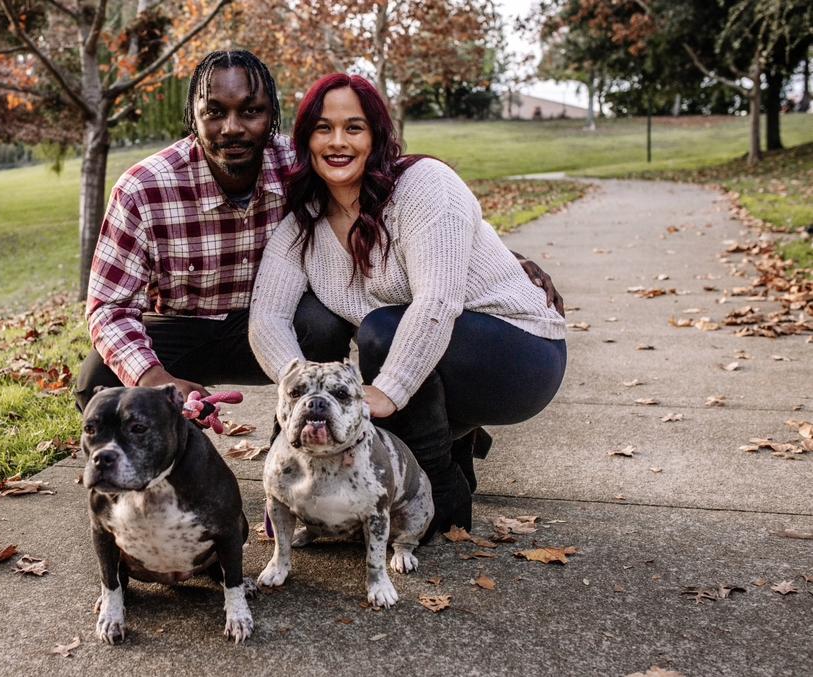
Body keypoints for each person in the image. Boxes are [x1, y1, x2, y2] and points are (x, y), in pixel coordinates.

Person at [76, 51, 563, 419]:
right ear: (193, 117)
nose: (233, 128)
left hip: (272, 322)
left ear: (273, 116)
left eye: (251, 111)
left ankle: (313, 427)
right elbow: (107, 308)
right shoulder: (144, 189)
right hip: (182, 328)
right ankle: (151, 462)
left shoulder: (300, 163)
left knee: (326, 323)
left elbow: (425, 209)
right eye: (215, 112)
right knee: (100, 381)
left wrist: (501, 257)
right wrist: (155, 380)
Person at [248, 73, 568, 536]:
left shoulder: (423, 185)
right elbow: (268, 317)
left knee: (383, 331)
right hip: (441, 357)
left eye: (354, 127)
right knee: (331, 323)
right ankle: (445, 450)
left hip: (521, 353)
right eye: (323, 128)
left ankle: (442, 487)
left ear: (377, 135)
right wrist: (294, 389)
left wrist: (386, 392)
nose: (338, 141)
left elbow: (437, 300)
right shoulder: (304, 225)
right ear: (306, 141)